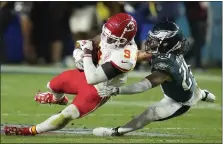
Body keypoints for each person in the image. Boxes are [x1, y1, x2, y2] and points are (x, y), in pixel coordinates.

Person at [4, 13, 152, 136]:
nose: (106, 38)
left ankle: (30, 131)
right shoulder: (112, 34)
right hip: (88, 72)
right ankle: (58, 99)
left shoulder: (125, 57)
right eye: (106, 33)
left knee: (67, 115)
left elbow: (92, 79)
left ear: (123, 40)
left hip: (98, 89)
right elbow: (87, 43)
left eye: (112, 38)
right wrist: (79, 53)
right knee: (52, 85)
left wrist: (86, 55)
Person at [92, 21, 216, 137]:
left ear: (166, 43)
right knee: (196, 91)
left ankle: (117, 131)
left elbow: (144, 85)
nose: (150, 41)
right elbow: (140, 55)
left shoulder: (166, 65)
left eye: (155, 40)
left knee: (150, 113)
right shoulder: (171, 51)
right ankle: (203, 94)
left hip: (179, 102)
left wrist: (118, 90)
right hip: (189, 86)